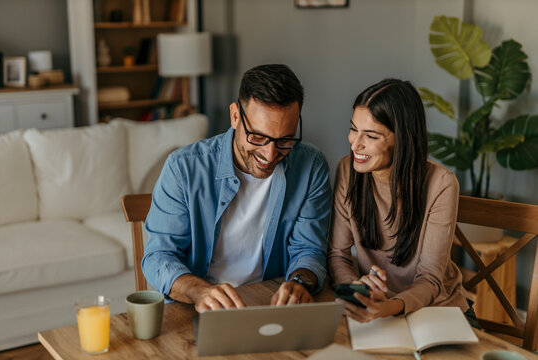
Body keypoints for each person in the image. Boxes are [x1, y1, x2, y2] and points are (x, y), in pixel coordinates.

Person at [142, 64, 332, 312]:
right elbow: (159, 257)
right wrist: (200, 292)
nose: (270, 153)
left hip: (271, 304)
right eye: (258, 137)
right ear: (234, 116)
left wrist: (299, 282)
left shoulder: (311, 166)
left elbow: (309, 249)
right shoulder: (183, 168)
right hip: (195, 306)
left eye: (285, 140)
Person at [328, 78, 479, 327]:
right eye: (354, 128)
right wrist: (353, 288)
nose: (355, 143)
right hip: (375, 309)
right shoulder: (347, 170)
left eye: (372, 136)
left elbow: (430, 279)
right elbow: (338, 254)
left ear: (402, 139)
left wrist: (390, 307)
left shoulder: (441, 184)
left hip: (439, 310)